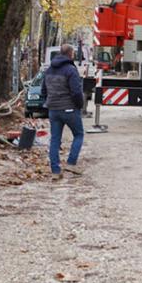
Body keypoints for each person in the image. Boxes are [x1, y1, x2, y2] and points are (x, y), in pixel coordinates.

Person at [41, 43, 85, 180]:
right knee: (78, 134)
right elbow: (76, 92)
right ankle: (71, 163)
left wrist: (50, 101)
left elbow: (43, 91)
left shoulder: (48, 70)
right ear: (71, 54)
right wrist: (79, 105)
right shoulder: (71, 70)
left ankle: (55, 171)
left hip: (53, 110)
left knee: (55, 140)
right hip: (69, 108)